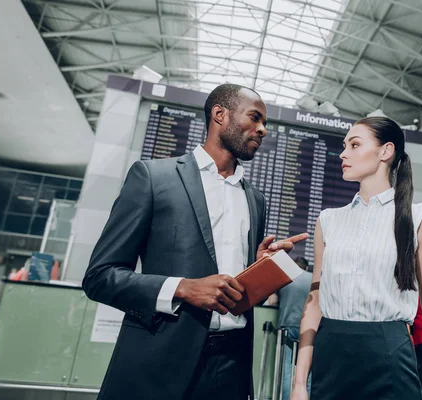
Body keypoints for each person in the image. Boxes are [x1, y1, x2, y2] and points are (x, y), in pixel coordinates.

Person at [82, 83, 307, 400]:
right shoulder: (153, 177)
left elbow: (236, 293)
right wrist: (182, 288)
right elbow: (99, 277)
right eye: (255, 118)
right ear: (220, 114)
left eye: (265, 123)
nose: (263, 130)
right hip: (158, 365)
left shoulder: (255, 200)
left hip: (230, 368)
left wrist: (259, 268)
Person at [290, 116, 422, 400]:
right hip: (331, 356)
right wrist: (299, 383)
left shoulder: (419, 218)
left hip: (390, 354)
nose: (343, 153)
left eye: (354, 144)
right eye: (344, 146)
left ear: (385, 151)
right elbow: (314, 302)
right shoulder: (328, 221)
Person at [268, 256, 313, 400]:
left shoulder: (284, 279)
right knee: (306, 370)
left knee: (286, 368)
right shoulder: (313, 279)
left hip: (287, 326)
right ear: (306, 267)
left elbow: (272, 301)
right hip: (308, 329)